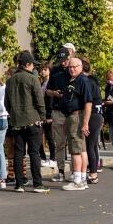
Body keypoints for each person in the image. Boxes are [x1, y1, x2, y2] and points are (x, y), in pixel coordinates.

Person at [4, 51, 48, 193]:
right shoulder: (32, 79)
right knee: (34, 153)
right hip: (33, 121)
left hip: (17, 122)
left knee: (18, 153)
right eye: (32, 65)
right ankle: (37, 184)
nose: (33, 68)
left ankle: (19, 184)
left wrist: (14, 114)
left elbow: (6, 103)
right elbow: (39, 101)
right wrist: (42, 117)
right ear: (27, 65)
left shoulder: (10, 81)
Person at [60, 56, 95, 191]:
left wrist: (85, 122)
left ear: (81, 67)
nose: (72, 69)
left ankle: (77, 181)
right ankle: (81, 178)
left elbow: (88, 103)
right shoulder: (72, 80)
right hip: (71, 116)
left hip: (77, 117)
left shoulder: (83, 81)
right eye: (70, 67)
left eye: (75, 67)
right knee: (81, 148)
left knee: (75, 149)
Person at [45, 47, 73, 182]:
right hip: (57, 110)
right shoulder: (55, 71)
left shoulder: (73, 69)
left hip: (72, 110)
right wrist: (54, 93)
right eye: (61, 60)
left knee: (73, 142)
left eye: (65, 60)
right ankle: (61, 171)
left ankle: (75, 171)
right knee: (60, 143)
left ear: (70, 57)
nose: (63, 63)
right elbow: (47, 91)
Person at [83, 59, 103, 183]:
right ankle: (93, 171)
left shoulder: (87, 82)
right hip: (98, 115)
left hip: (93, 115)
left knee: (89, 145)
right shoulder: (93, 81)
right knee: (93, 145)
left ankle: (93, 173)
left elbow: (87, 101)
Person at [38, 62, 57, 168]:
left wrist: (50, 116)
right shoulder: (41, 83)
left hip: (49, 114)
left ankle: (53, 158)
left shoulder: (52, 84)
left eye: (45, 69)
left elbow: (52, 101)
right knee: (39, 136)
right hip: (42, 114)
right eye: (41, 69)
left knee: (50, 137)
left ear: (49, 70)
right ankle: (42, 157)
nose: (42, 71)